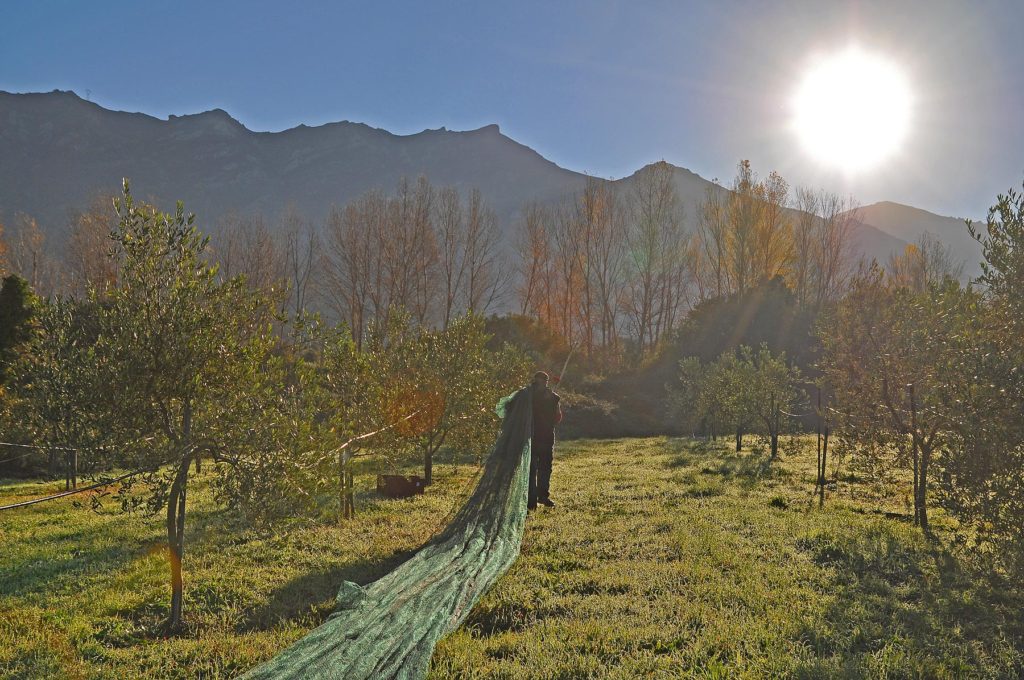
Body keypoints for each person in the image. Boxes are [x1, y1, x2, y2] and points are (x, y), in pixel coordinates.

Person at [529, 370, 562, 510]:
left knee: (532, 469)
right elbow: (558, 417)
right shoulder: (553, 397)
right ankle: (541, 496)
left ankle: (532, 500)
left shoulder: (525, 395)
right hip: (544, 436)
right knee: (543, 468)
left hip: (532, 437)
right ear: (545, 381)